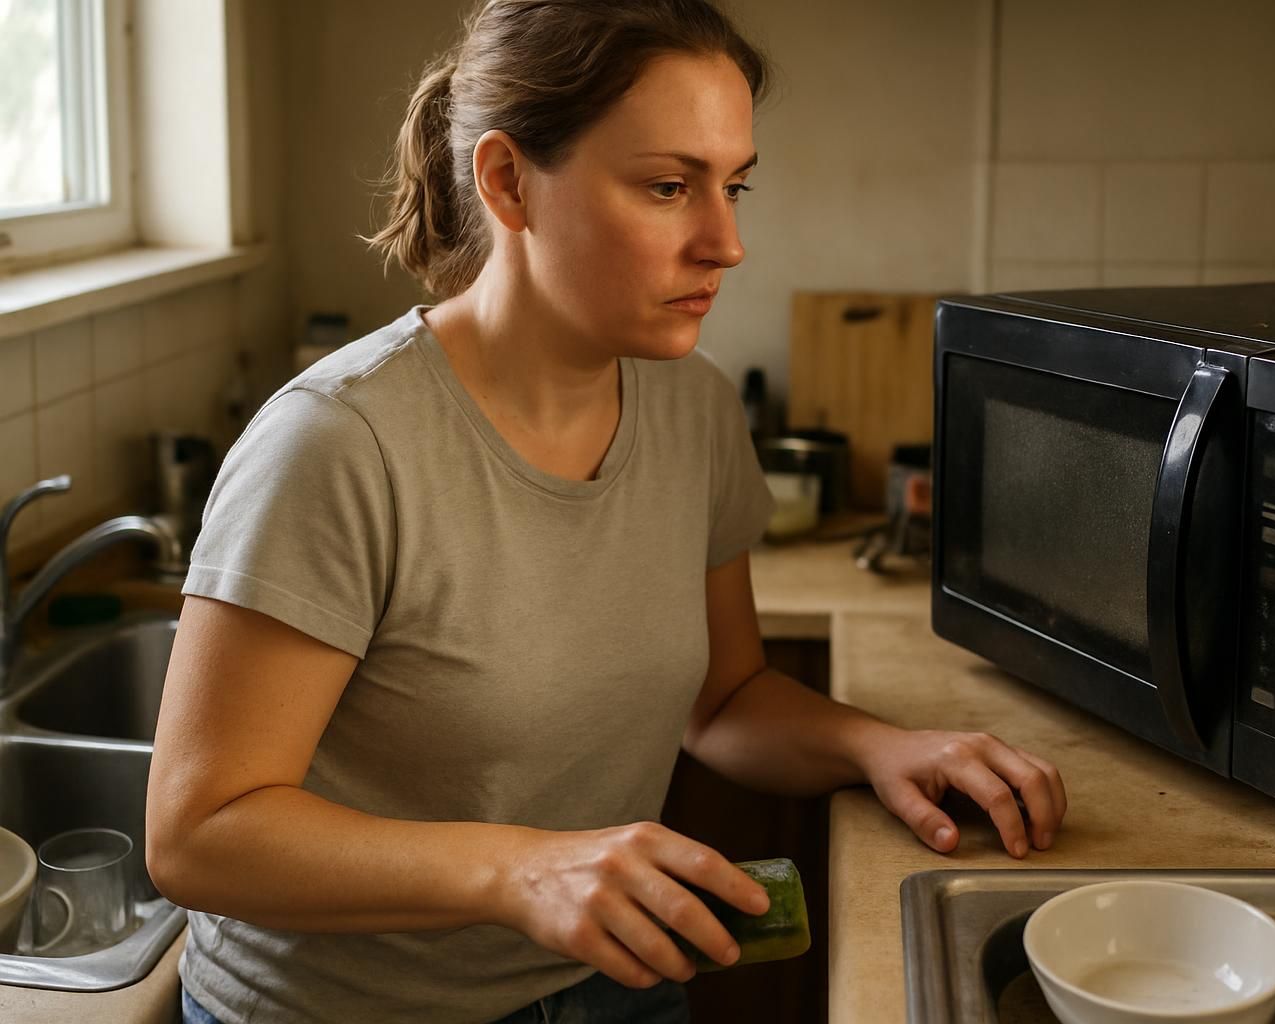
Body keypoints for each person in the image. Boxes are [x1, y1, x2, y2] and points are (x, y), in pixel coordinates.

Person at [144, 2, 1068, 1022]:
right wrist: (521, 872)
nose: (726, 243)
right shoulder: (338, 442)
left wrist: (878, 746)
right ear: (508, 182)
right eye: (669, 187)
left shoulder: (694, 409)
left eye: (734, 186)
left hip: (614, 984)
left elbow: (724, 700)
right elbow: (199, 835)